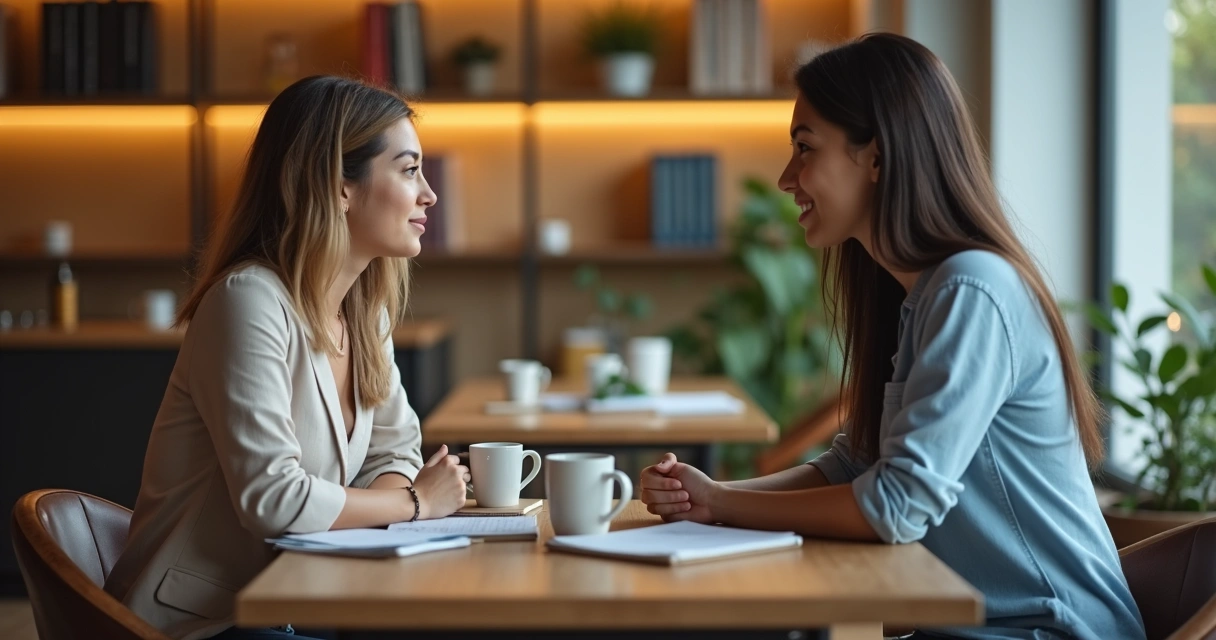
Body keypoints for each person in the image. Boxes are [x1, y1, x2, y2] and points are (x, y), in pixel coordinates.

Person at [639, 34, 1145, 640]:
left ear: (876, 157)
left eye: (805, 148)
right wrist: (712, 495)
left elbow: (895, 506)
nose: (785, 177)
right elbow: (856, 465)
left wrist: (723, 506)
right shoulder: (922, 293)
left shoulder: (971, 290)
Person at [104, 75, 469, 640]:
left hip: (305, 599)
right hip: (206, 620)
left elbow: (393, 448)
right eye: (408, 169)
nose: (429, 194)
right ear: (339, 186)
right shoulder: (248, 302)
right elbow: (273, 499)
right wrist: (416, 502)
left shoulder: (364, 313)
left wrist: (396, 496)